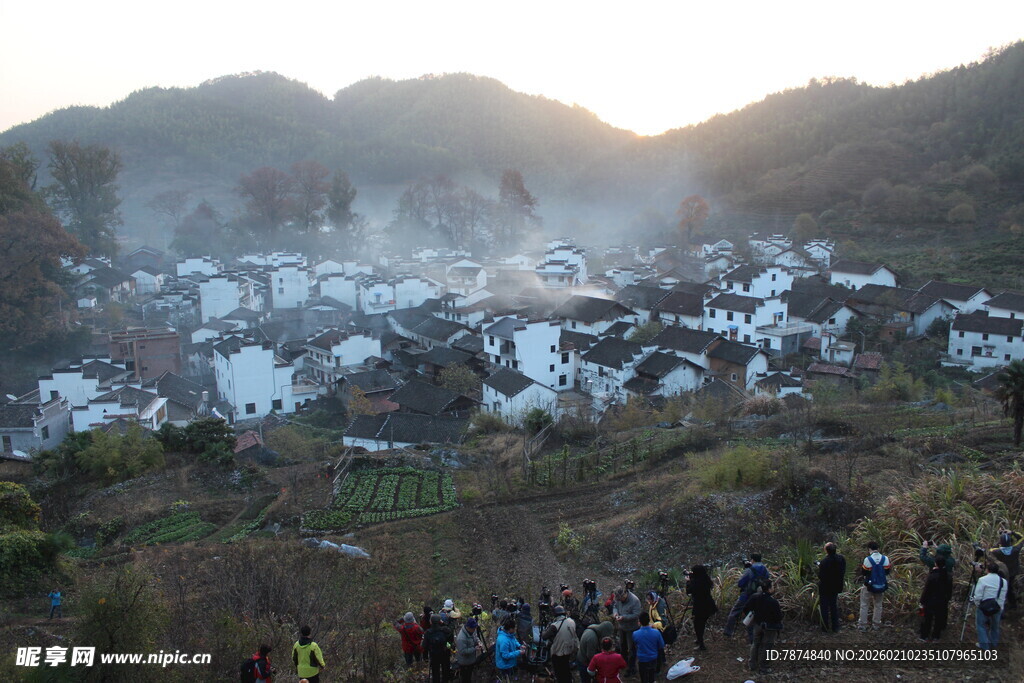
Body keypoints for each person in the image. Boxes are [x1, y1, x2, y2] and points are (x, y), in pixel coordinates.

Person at [723, 553, 769, 637]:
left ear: (752, 560)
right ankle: (753, 636)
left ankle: (728, 632)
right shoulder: (765, 569)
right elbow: (767, 580)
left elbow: (741, 583)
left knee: (734, 613)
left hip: (746, 595)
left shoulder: (750, 569)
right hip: (759, 595)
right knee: (752, 616)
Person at [744, 581, 783, 675]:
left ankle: (752, 664)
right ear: (769, 589)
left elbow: (746, 608)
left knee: (755, 644)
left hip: (757, 624)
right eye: (772, 586)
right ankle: (763, 667)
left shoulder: (755, 597)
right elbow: (778, 617)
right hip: (770, 627)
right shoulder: (773, 602)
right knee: (767, 646)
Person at [972, 562, 1007, 650]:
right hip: (998, 607)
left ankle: (984, 646)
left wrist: (978, 604)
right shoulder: (1004, 581)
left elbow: (978, 595)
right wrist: (1001, 607)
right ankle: (993, 643)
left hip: (984, 607)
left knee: (981, 625)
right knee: (995, 626)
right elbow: (1003, 596)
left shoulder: (983, 580)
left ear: (987, 570)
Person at [858, 542, 891, 631]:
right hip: (881, 585)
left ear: (869, 549)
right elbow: (887, 572)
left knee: (864, 605)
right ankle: (876, 624)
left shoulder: (867, 559)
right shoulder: (885, 559)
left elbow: (864, 572)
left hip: (869, 586)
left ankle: (863, 625)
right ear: (878, 549)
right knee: (878, 605)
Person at [541, 605, 578, 683]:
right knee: (566, 668)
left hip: (558, 652)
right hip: (569, 649)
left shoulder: (554, 626)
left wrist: (546, 628)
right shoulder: (571, 621)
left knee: (559, 672)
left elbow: (544, 636)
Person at [987, 529, 1023, 610]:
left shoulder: (998, 551)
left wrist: (998, 541)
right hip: (1013, 572)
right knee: (1010, 587)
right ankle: (1013, 604)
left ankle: (1001, 605)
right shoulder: (1015, 549)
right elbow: (1022, 538)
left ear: (1001, 543)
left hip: (1002, 572)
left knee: (1001, 587)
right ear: (1010, 542)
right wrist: (1012, 532)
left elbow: (991, 550)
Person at [685, 565, 717, 651]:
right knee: (701, 623)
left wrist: (688, 582)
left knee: (698, 625)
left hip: (700, 606)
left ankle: (701, 644)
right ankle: (699, 639)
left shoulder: (696, 582)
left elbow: (688, 591)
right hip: (709, 605)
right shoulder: (706, 580)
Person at [612, 586, 641, 676]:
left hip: (632, 628)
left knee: (632, 649)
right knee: (622, 646)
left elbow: (636, 614)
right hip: (622, 627)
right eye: (618, 599)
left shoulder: (635, 600)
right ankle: (624, 663)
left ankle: (632, 668)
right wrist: (615, 613)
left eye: (621, 598)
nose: (620, 600)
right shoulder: (618, 599)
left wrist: (624, 617)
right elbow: (615, 606)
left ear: (625, 593)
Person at [919, 563, 953, 642]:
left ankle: (924, 636)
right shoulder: (948, 576)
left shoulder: (932, 576)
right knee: (939, 619)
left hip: (930, 601)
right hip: (942, 601)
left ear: (936, 564)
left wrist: (922, 600)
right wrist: (948, 599)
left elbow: (927, 590)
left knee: (927, 618)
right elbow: (949, 590)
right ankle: (936, 636)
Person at [818, 542, 846, 633]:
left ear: (826, 550)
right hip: (836, 586)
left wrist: (819, 566)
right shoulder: (841, 559)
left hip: (825, 588)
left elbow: (821, 576)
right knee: (834, 606)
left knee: (824, 608)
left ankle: (825, 627)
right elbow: (842, 571)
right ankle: (835, 627)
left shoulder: (824, 562)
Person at [631, 612, 665, 683]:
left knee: (643, 678)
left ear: (639, 622)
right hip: (653, 658)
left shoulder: (635, 634)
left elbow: (634, 646)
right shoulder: (656, 632)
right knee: (652, 676)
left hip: (642, 660)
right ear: (649, 620)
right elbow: (661, 645)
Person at [423, 613, 454, 683]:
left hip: (434, 655)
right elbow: (451, 640)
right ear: (440, 621)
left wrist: (425, 658)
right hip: (445, 654)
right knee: (445, 671)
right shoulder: (445, 630)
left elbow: (425, 646)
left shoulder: (428, 632)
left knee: (435, 673)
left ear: (431, 622)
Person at [495, 618, 526, 682]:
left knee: (512, 676)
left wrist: (519, 646)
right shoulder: (504, 640)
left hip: (510, 663)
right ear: (510, 629)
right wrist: (519, 652)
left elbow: (513, 639)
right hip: (505, 666)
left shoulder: (509, 634)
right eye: (514, 628)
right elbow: (505, 655)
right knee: (507, 679)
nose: (515, 629)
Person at [454, 617, 484, 683]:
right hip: (464, 663)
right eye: (473, 628)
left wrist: (479, 642)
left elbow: (475, 637)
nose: (474, 629)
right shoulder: (461, 638)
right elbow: (462, 651)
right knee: (465, 679)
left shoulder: (472, 631)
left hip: (471, 660)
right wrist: (474, 649)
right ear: (468, 627)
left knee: (470, 677)